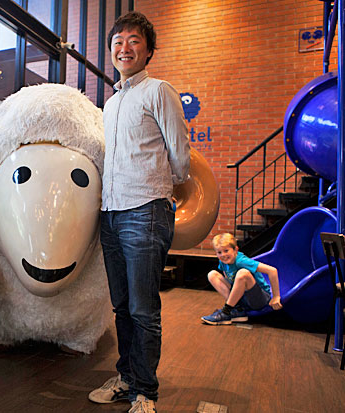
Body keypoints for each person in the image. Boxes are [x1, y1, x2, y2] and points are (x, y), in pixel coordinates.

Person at [88, 11, 190, 413]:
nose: (124, 48)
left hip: (146, 209)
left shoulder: (159, 91)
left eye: (134, 41)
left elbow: (180, 155)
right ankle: (127, 377)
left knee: (144, 309)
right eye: (118, 41)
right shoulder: (111, 103)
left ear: (149, 51)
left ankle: (145, 392)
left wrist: (161, 187)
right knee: (122, 307)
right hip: (110, 212)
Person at [201, 233, 282, 325]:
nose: (223, 255)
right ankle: (237, 309)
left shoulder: (241, 261)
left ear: (235, 249)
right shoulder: (223, 261)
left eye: (226, 250)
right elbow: (229, 278)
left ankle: (226, 311)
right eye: (219, 252)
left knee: (242, 273)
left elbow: (272, 271)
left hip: (260, 299)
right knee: (212, 274)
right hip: (243, 298)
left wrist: (276, 297)